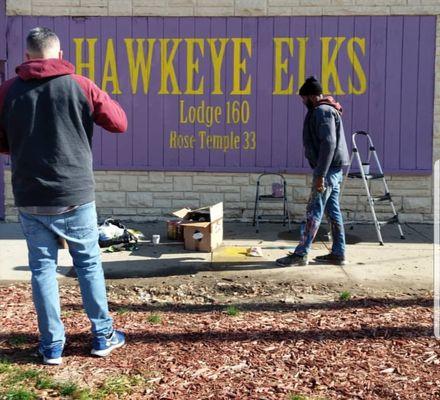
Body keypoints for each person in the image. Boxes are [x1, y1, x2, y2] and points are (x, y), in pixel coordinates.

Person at [0, 27, 128, 365]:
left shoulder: (8, 91)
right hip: (75, 194)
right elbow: (119, 123)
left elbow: (1, 142)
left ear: (26, 57)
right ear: (59, 54)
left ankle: (52, 346)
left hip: (30, 194)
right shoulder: (81, 85)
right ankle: (103, 336)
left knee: (42, 269)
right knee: (88, 265)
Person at [276, 76, 349, 267]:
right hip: (334, 170)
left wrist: (320, 175)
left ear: (312, 96)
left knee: (313, 210)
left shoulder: (322, 112)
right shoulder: (329, 109)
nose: (302, 102)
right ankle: (338, 253)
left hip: (327, 171)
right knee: (333, 211)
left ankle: (301, 254)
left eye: (303, 98)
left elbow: (329, 143)